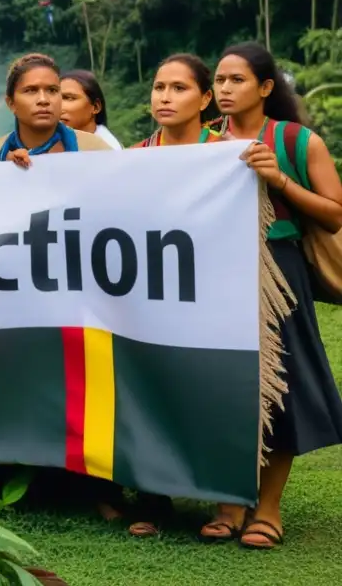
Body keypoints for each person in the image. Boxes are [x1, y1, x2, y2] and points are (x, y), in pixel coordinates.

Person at [201, 42, 342, 549]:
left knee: (278, 385)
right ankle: (228, 503)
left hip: (277, 275)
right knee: (223, 382)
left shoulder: (296, 140)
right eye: (218, 80)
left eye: (236, 80)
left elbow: (334, 212)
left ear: (264, 88)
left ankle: (267, 508)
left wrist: (277, 178)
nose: (224, 89)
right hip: (213, 274)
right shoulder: (202, 143)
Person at [113, 53, 221, 538]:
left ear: (206, 98)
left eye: (179, 88)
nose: (165, 97)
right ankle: (152, 500)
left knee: (209, 388)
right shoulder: (134, 156)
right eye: (159, 87)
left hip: (213, 295)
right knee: (148, 387)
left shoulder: (231, 153)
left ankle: (227, 501)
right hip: (150, 294)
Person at [0, 54, 112, 166]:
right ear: (11, 103)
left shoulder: (96, 150)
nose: (43, 100)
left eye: (52, 90)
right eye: (31, 91)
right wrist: (7, 170)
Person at [60, 69, 122, 149]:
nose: (58, 107)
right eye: (57, 99)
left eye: (69, 98)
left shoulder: (106, 149)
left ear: (96, 107)